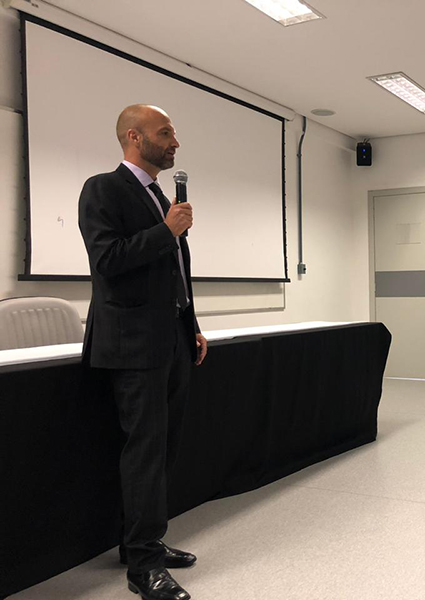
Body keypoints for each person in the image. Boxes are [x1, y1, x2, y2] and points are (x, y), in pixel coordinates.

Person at [79, 104, 207, 600]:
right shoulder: (103, 189)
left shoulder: (159, 197)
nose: (175, 142)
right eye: (165, 132)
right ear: (135, 137)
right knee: (145, 454)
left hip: (170, 337)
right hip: (132, 344)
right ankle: (143, 567)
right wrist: (166, 231)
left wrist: (190, 324)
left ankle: (142, 542)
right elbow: (107, 261)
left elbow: (173, 271)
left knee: (164, 448)